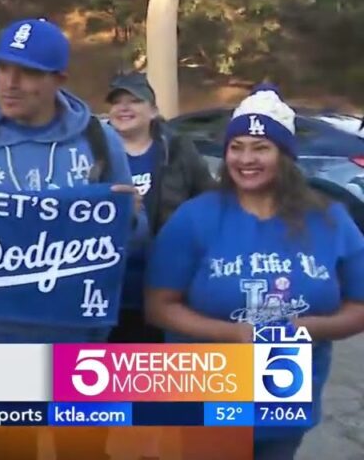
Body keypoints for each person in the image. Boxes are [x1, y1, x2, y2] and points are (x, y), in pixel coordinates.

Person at [0, 19, 145, 460]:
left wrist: (130, 219)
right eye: (3, 68)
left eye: (27, 72)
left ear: (58, 79)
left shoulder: (100, 143)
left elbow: (134, 243)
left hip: (81, 342)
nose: (10, 82)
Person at [146, 85, 364, 460]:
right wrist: (232, 334)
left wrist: (306, 328)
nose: (246, 158)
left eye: (261, 147)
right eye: (237, 146)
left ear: (285, 155)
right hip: (206, 394)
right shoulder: (195, 218)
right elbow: (159, 305)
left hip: (286, 398)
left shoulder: (330, 220)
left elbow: (359, 304)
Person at [105, 71, 216, 343]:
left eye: (134, 101)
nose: (123, 107)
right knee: (100, 375)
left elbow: (209, 202)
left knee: (153, 375)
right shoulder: (94, 153)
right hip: (106, 288)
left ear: (153, 111)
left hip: (162, 286)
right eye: (117, 101)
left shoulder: (177, 150)